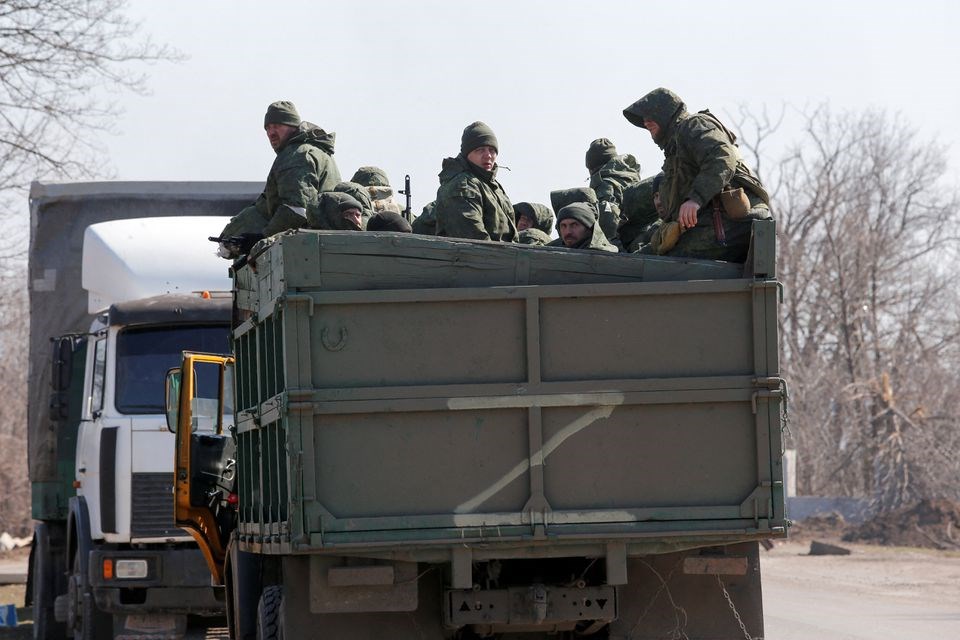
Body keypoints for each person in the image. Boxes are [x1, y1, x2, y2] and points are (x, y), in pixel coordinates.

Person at [622, 88, 771, 262]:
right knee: (645, 261)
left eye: (650, 116)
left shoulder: (693, 124)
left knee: (665, 266)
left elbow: (722, 158)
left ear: (665, 112)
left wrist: (695, 199)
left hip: (732, 220)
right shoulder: (675, 146)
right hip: (712, 223)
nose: (646, 122)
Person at [217, 101, 341, 258]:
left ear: (293, 126)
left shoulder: (296, 156)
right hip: (321, 244)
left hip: (308, 250)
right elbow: (267, 206)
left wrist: (262, 238)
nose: (271, 132)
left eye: (277, 125)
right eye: (268, 128)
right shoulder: (312, 151)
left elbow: (296, 209)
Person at [434, 121, 517, 242]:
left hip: (505, 257)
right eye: (480, 150)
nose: (488, 155)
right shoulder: (462, 186)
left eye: (492, 150)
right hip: (480, 258)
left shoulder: (492, 186)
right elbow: (473, 238)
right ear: (467, 153)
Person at [585, 138, 642, 241]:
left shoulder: (605, 185)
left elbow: (608, 219)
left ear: (591, 167)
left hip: (619, 244)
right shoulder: (629, 177)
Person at [548, 203, 618, 252]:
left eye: (574, 225)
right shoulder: (549, 251)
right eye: (563, 226)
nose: (568, 232)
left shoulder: (607, 255)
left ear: (588, 227)